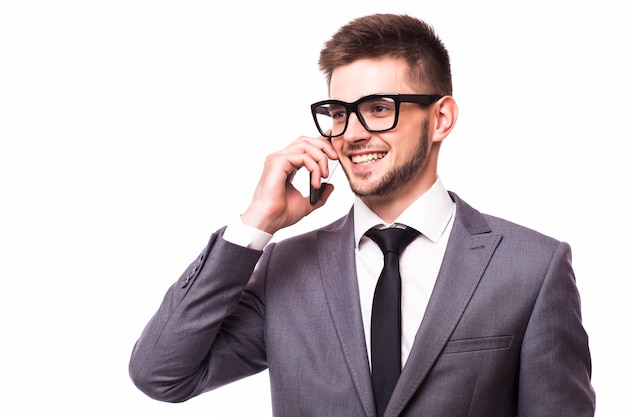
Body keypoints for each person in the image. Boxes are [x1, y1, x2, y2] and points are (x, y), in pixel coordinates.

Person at [129, 13, 595, 416]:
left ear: (441, 119)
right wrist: (255, 224)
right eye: (338, 113)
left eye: (378, 108)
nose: (351, 133)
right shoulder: (283, 269)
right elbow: (162, 374)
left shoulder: (533, 267)